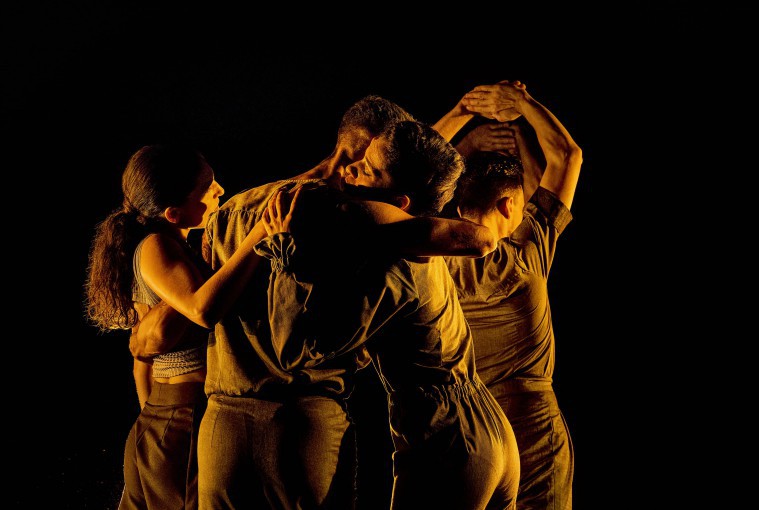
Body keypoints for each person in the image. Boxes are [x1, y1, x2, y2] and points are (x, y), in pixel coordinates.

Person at [132, 94, 502, 509]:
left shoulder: (233, 210)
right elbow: (298, 348)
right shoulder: (369, 229)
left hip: (223, 425)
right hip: (306, 423)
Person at [259, 119, 521, 510]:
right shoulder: (424, 244)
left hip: (448, 440)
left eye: (368, 170)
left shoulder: (391, 265)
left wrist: (286, 256)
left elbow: (296, 350)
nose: (349, 170)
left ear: (400, 202)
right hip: (488, 427)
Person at [84, 143, 288, 509]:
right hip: (182, 419)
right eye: (206, 187)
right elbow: (201, 309)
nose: (219, 190)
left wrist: (153, 422)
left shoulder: (178, 249)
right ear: (173, 213)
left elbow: (141, 360)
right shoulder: (155, 246)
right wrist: (259, 235)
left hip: (170, 421)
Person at [444, 80, 583, 509]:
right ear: (508, 206)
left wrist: (464, 119)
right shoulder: (526, 250)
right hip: (530, 421)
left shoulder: (430, 258)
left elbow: (402, 176)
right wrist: (521, 104)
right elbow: (567, 156)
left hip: (466, 424)